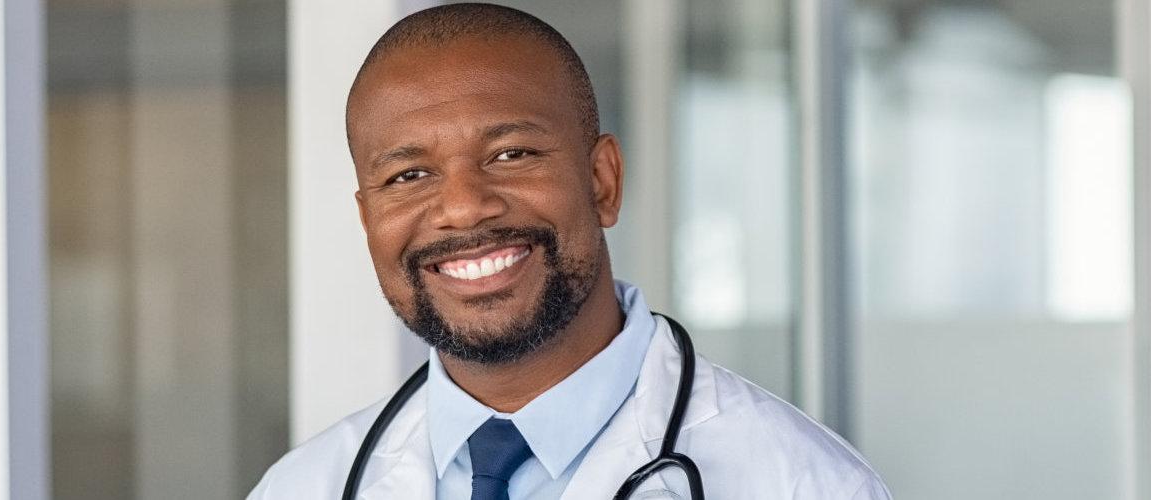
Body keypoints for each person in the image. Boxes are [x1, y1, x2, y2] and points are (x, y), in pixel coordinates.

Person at [247, 3, 889, 498]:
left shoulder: (800, 482)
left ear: (602, 181)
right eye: (408, 176)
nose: (464, 207)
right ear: (368, 220)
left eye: (510, 154)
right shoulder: (304, 486)